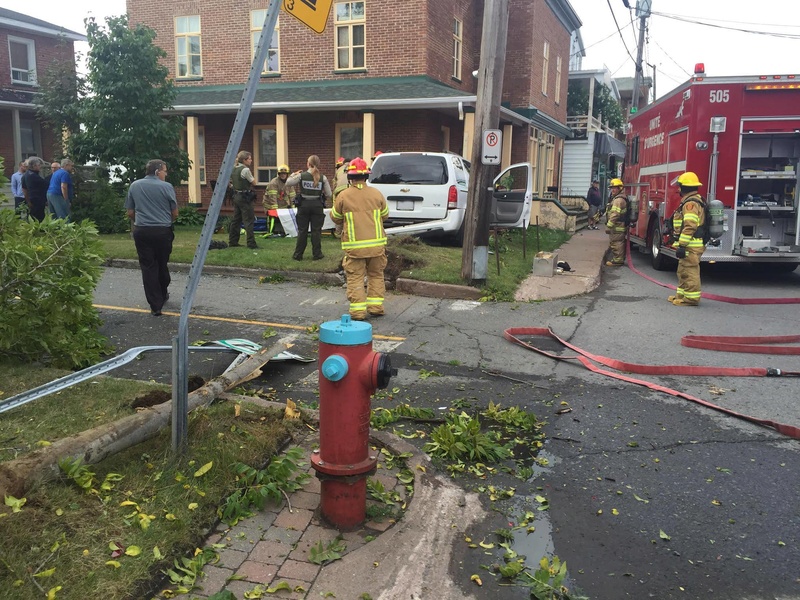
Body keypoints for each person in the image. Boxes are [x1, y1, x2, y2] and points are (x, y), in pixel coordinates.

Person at [330, 157, 389, 320]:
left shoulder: (344, 196)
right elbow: (385, 215)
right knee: (376, 275)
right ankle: (376, 307)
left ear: (350, 177)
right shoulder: (377, 194)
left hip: (355, 248)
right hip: (377, 247)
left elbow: (335, 217)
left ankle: (357, 311)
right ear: (366, 176)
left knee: (355, 277)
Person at [125, 159, 178, 316]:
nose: (166, 174)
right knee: (162, 263)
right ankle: (163, 291)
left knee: (148, 266)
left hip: (142, 230)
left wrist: (141, 221)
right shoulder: (166, 187)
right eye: (165, 171)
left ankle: (156, 305)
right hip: (162, 231)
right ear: (157, 171)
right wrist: (167, 221)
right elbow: (174, 213)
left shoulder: (134, 186)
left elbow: (130, 212)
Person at [669, 172, 707, 307]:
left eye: (680, 186)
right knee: (683, 270)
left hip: (690, 245)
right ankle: (682, 295)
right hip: (689, 244)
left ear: (684, 187)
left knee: (690, 271)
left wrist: (682, 245)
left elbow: (690, 225)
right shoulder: (693, 200)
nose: (678, 189)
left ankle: (691, 299)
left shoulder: (690, 204)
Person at [285, 155, 332, 261]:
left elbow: (288, 182)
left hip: (304, 206)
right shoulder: (322, 177)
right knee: (316, 231)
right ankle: (317, 254)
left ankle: (298, 255)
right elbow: (329, 194)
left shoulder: (302, 176)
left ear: (308, 164)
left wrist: (294, 174)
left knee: (302, 231)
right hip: (317, 206)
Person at [228, 150, 259, 249]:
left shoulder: (234, 168)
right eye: (249, 159)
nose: (251, 160)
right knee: (249, 220)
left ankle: (233, 241)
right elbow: (254, 183)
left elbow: (230, 183)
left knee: (236, 220)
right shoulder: (245, 170)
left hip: (236, 196)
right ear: (245, 160)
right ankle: (251, 243)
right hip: (244, 197)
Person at [263, 164, 295, 237]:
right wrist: (275, 209)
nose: (283, 175)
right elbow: (272, 197)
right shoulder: (274, 183)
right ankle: (272, 231)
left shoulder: (289, 182)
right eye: (281, 174)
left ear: (287, 174)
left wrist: (293, 207)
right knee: (273, 218)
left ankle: (284, 231)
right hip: (271, 205)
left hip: (282, 204)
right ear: (278, 174)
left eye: (284, 173)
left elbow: (292, 195)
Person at [604, 178, 628, 266]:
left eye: (615, 188)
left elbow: (615, 214)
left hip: (617, 226)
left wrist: (609, 226)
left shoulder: (618, 200)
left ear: (620, 188)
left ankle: (617, 260)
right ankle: (618, 258)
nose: (612, 190)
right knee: (616, 242)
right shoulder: (618, 198)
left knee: (616, 242)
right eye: (612, 188)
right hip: (618, 225)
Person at [21, 157, 49, 222]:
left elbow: (24, 190)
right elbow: (46, 184)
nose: (40, 167)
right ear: (34, 166)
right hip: (38, 200)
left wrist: (28, 201)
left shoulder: (25, 175)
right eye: (39, 165)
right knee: (38, 218)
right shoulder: (34, 176)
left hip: (31, 199)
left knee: (32, 217)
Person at [331, 157, 350, 238]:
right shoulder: (353, 168)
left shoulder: (339, 170)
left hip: (338, 192)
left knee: (338, 212)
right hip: (349, 190)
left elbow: (334, 183)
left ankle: (338, 233)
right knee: (349, 212)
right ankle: (348, 233)